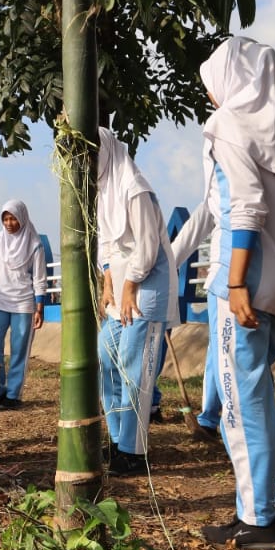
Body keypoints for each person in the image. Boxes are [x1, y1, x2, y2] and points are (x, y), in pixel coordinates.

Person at [195, 36, 275, 550]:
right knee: (259, 395)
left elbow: (244, 208)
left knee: (239, 406)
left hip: (243, 282)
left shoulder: (228, 126)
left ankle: (257, 518)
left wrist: (236, 281)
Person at [96, 127, 179, 476]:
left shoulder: (135, 189)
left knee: (134, 369)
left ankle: (133, 450)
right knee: (106, 356)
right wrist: (107, 282)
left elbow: (147, 247)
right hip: (121, 289)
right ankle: (117, 438)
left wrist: (129, 286)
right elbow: (106, 244)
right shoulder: (103, 190)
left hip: (146, 288)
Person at [0, 200, 47, 410]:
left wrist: (39, 307)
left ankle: (14, 394)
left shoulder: (35, 244)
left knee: (20, 349)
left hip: (24, 303)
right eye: (5, 218)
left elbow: (39, 279)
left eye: (13, 218)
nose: (9, 223)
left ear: (22, 218)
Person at [169, 200, 224, 441]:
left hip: (266, 285)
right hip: (224, 285)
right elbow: (192, 231)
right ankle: (210, 418)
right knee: (219, 350)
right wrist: (165, 269)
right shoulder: (219, 189)